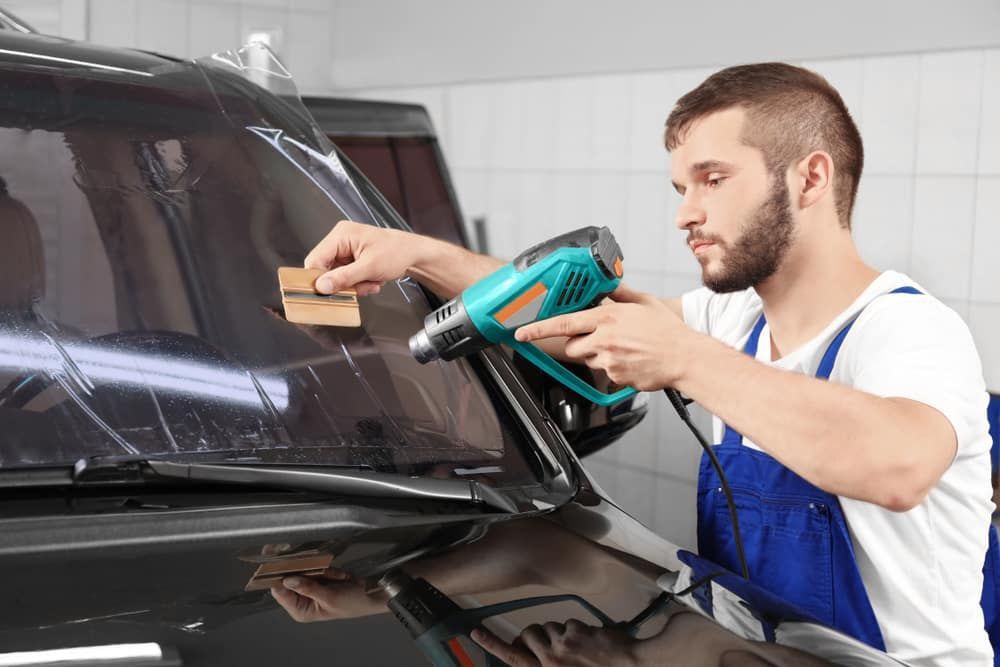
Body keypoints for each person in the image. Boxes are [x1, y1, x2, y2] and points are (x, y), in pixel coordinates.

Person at [276, 63, 996, 666]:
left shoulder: (909, 328)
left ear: (810, 178)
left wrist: (684, 357)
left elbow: (897, 466)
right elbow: (574, 323)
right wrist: (420, 255)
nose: (685, 213)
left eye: (712, 179)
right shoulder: (735, 320)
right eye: (680, 188)